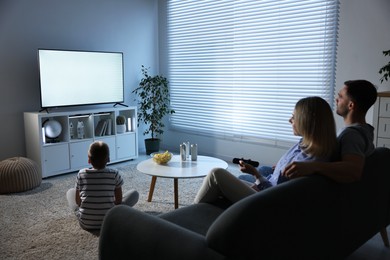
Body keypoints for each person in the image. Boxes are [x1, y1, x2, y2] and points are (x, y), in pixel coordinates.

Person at [194, 96, 338, 204]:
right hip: (262, 191)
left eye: (294, 117)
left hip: (266, 203)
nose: (289, 120)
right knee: (220, 188)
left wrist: (255, 174)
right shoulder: (305, 145)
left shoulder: (305, 162)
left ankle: (192, 213)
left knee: (216, 174)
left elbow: (275, 194)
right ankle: (200, 213)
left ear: (307, 121)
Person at [281, 79, 377, 182]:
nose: (336, 99)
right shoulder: (365, 130)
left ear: (351, 105)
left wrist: (312, 166)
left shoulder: (351, 135)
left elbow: (353, 171)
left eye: (340, 97)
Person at [66, 141, 139, 231]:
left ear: (89, 159)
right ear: (108, 159)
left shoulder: (81, 174)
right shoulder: (114, 174)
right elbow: (118, 201)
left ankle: (88, 214)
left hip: (86, 223)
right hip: (110, 221)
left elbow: (78, 202)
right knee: (134, 194)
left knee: (70, 192)